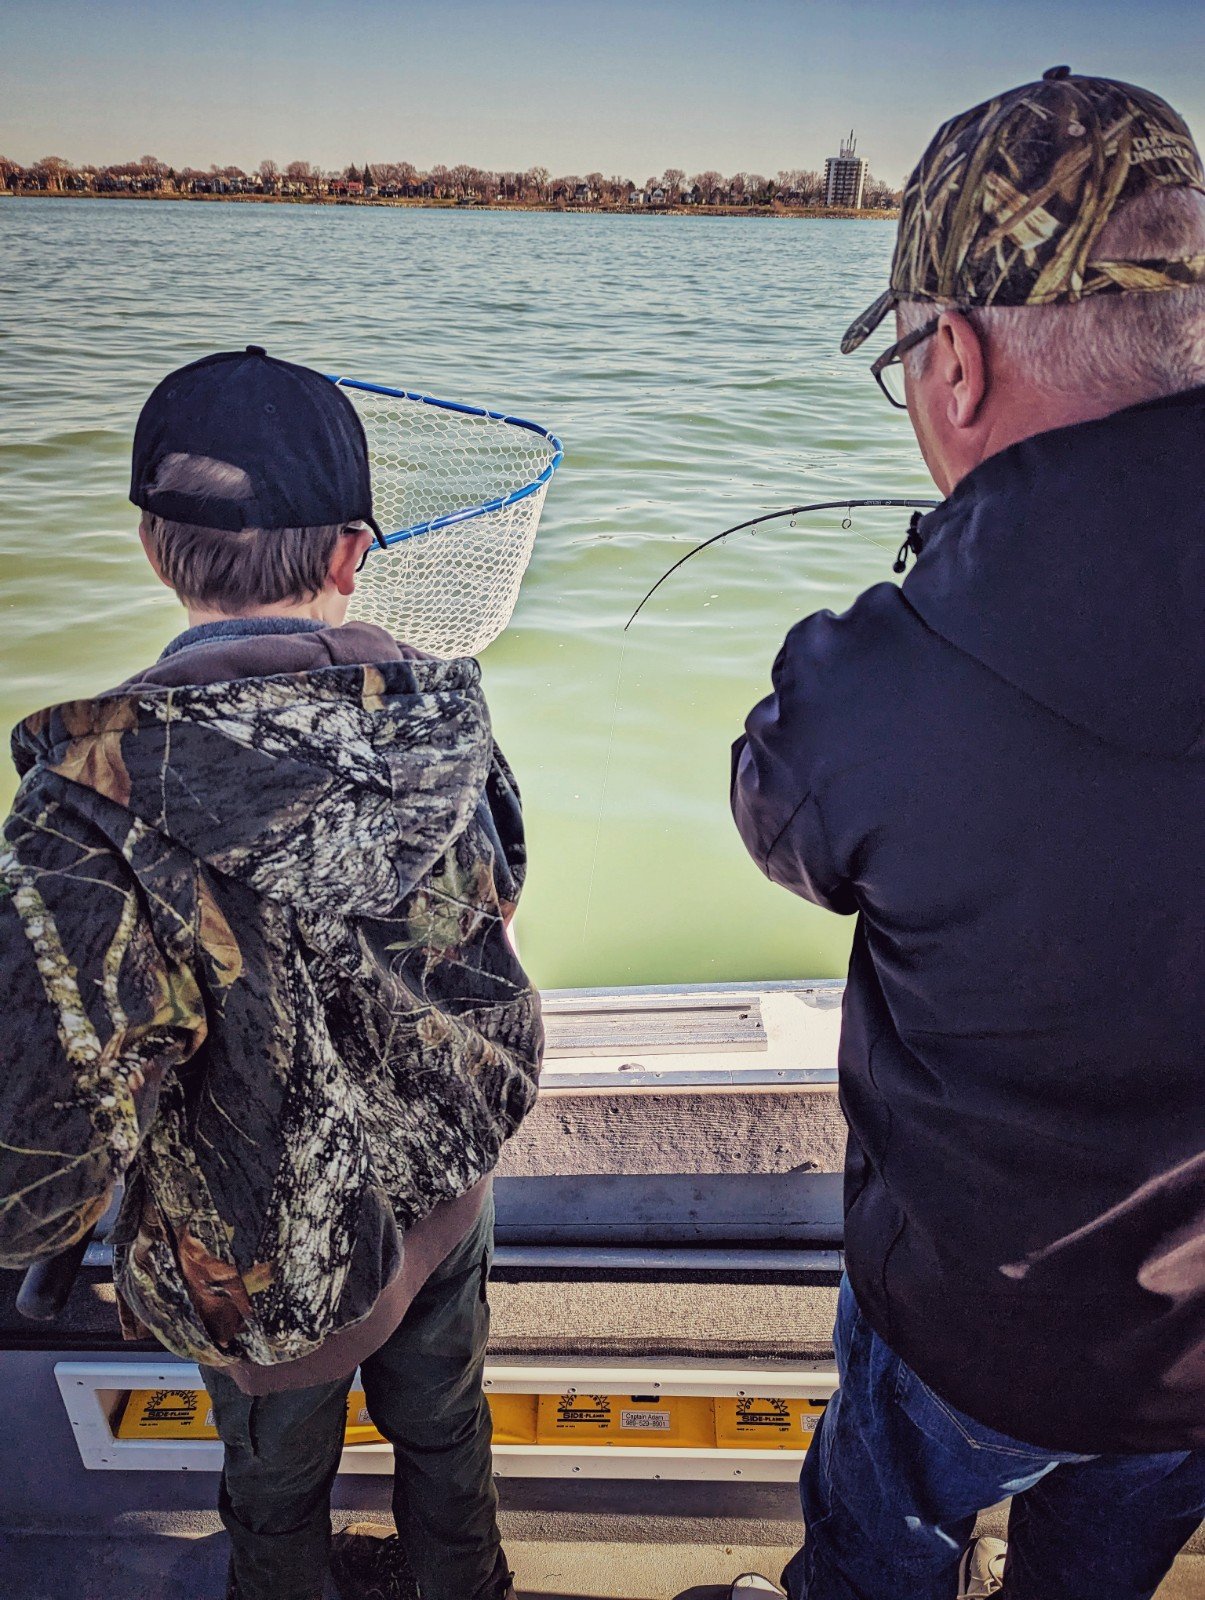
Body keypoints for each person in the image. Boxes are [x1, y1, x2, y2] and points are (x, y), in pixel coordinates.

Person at [727, 68, 1205, 1600]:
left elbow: (780, 820)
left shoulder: (873, 682)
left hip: (965, 1333)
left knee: (873, 1555)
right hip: (1196, 1364)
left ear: (953, 360)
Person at [0, 347, 542, 1600]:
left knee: (274, 1492)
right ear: (353, 550)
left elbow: (34, 1186)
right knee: (448, 1435)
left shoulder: (80, 817)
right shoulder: (449, 719)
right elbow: (495, 904)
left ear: (151, 545)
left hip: (266, 1283)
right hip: (448, 1201)